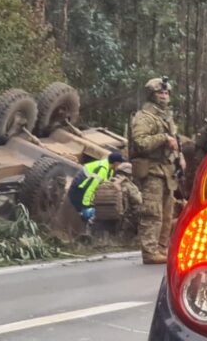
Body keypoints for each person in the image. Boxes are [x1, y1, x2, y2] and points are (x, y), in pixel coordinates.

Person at [129, 76, 185, 264]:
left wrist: (180, 157)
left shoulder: (165, 116)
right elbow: (140, 142)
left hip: (167, 171)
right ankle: (150, 251)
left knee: (168, 213)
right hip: (152, 170)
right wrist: (163, 138)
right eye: (160, 92)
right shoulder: (144, 117)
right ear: (152, 95)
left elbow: (175, 140)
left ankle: (162, 249)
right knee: (152, 212)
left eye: (166, 92)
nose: (164, 95)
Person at [67, 152, 124, 222]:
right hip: (78, 189)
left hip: (84, 188)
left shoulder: (110, 169)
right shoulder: (102, 170)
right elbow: (90, 187)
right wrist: (86, 206)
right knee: (91, 214)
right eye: (120, 164)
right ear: (116, 163)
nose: (120, 166)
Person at [112, 162, 142, 236]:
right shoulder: (129, 185)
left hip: (109, 217)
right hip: (126, 219)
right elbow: (139, 201)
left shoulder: (110, 181)